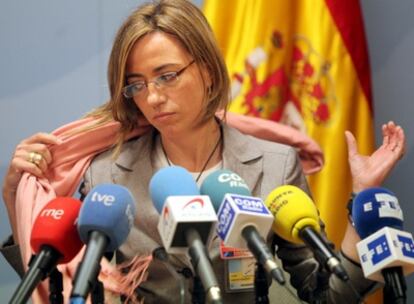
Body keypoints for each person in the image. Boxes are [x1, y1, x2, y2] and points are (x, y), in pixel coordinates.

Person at [1, 0, 406, 303]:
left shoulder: (273, 165)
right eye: (137, 85)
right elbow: (63, 281)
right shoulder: (108, 174)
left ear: (208, 69)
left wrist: (363, 201)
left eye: (167, 76)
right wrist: (14, 197)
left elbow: (328, 294)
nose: (154, 97)